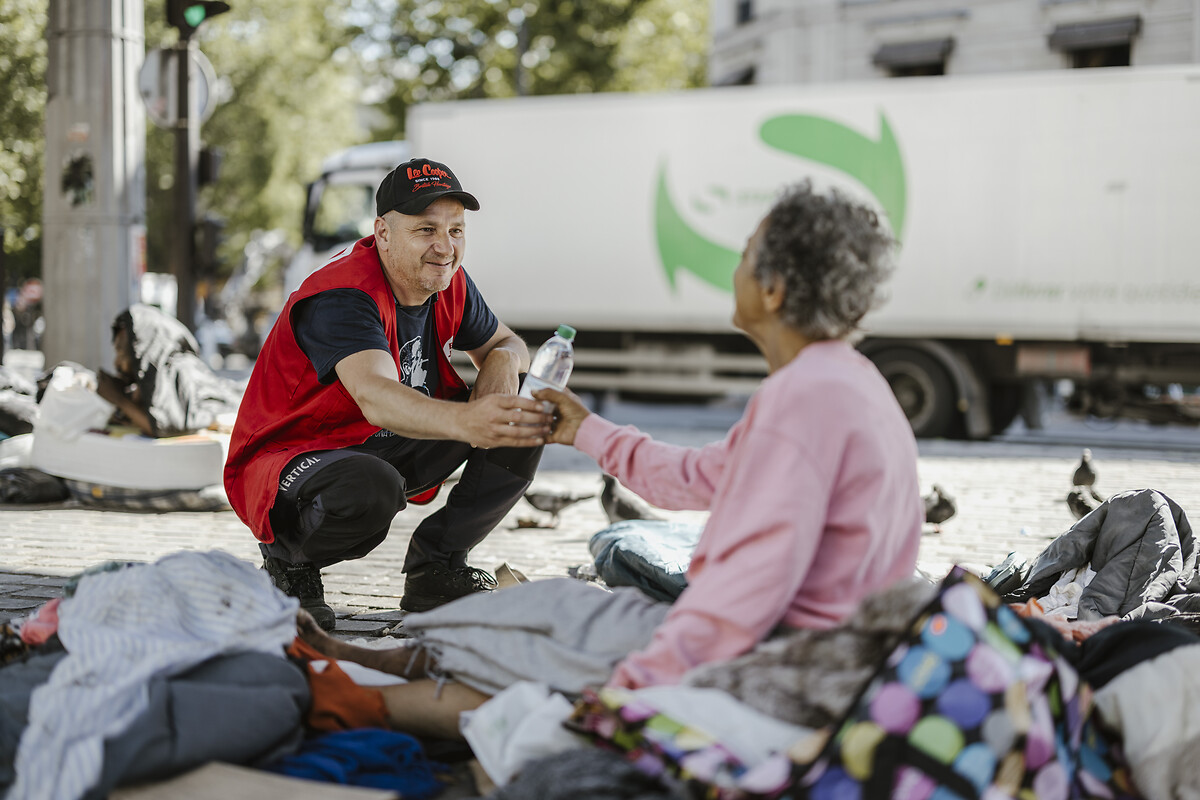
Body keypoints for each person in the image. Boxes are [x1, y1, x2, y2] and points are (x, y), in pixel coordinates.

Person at [295, 181, 925, 739]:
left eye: (744, 255)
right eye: (428, 230)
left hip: (773, 660)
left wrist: (628, 694)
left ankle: (351, 698)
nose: (445, 246)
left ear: (773, 288)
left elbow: (741, 601)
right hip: (778, 639)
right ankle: (374, 661)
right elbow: (700, 479)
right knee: (540, 609)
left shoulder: (805, 404)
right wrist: (587, 431)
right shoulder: (840, 381)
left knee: (540, 646)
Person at [224, 158, 552, 631]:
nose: (445, 247)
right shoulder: (343, 294)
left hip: (378, 440)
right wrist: (470, 421)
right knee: (369, 487)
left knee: (527, 405)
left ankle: (436, 567)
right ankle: (288, 567)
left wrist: (501, 361)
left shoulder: (448, 279)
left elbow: (508, 344)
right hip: (290, 458)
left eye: (456, 230)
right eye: (426, 230)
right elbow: (376, 395)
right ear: (382, 233)